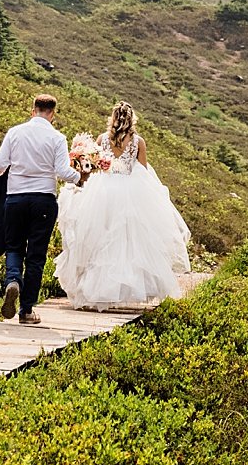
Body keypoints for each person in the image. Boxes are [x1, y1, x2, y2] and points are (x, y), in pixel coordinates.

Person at [55, 101, 192, 309]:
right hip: (131, 190)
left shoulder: (102, 139)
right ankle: (124, 288)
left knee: (100, 237)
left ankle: (98, 290)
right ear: (131, 119)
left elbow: (96, 167)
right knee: (130, 240)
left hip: (103, 189)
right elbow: (143, 170)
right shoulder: (138, 142)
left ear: (113, 118)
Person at [0, 94, 79, 324]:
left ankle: (12, 280)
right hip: (43, 200)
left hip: (15, 199)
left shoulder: (15, 132)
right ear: (53, 114)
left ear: (33, 110)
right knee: (36, 256)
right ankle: (26, 311)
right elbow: (62, 171)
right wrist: (81, 176)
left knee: (14, 247)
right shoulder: (57, 137)